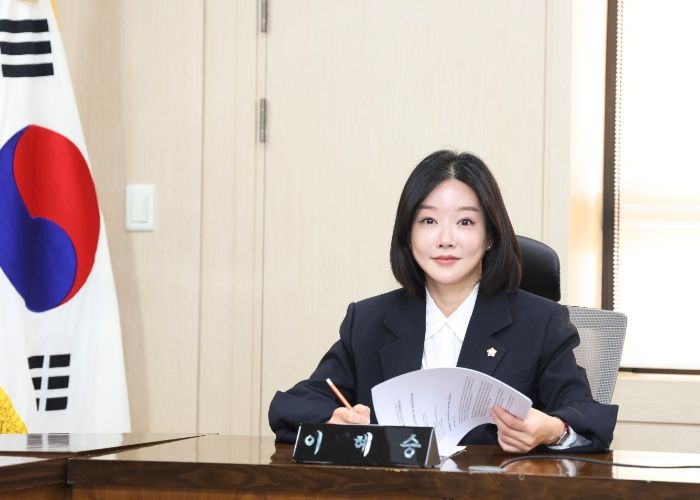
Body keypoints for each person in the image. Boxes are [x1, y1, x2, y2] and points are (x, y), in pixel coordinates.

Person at [268, 150, 617, 453]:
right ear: (408, 235)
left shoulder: (540, 322)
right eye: (428, 220)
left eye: (465, 221)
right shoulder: (369, 321)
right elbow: (292, 406)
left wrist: (553, 430)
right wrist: (332, 419)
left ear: (490, 236)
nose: (445, 239)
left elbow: (587, 418)